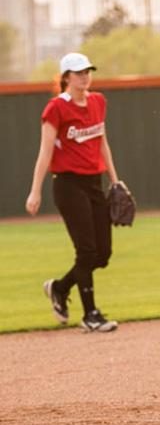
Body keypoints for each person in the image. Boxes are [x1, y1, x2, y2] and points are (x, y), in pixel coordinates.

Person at [25, 52, 122, 333]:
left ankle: (59, 287)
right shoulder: (56, 108)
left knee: (102, 253)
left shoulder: (97, 101)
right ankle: (91, 314)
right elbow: (45, 151)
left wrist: (114, 181)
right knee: (87, 250)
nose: (85, 76)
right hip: (68, 185)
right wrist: (35, 191)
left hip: (94, 183)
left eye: (87, 71)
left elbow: (103, 143)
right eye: (78, 72)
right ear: (66, 77)